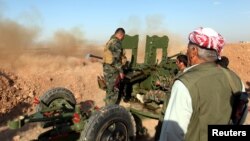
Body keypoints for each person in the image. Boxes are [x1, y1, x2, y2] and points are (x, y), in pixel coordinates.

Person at [159, 27, 246, 141]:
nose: (187, 52)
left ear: (194, 51)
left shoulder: (184, 84)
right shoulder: (237, 80)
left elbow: (171, 135)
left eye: (188, 49)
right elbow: (240, 122)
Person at [103, 27, 125, 105]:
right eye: (123, 36)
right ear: (121, 35)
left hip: (106, 68)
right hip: (113, 70)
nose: (123, 38)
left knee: (109, 89)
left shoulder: (110, 41)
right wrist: (121, 71)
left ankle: (106, 106)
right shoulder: (117, 43)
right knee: (114, 90)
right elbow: (116, 60)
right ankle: (111, 109)